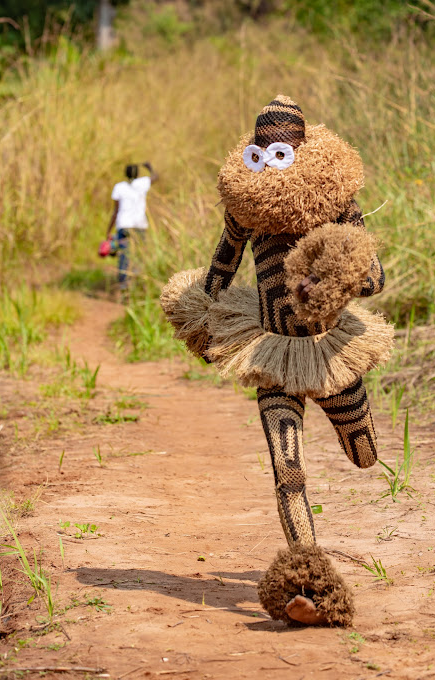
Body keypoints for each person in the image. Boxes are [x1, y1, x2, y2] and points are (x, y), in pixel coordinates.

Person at [161, 95, 394, 627]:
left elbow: (375, 278)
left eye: (282, 151)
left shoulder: (336, 204)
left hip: (328, 352)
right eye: (261, 152)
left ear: (302, 150)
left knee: (363, 454)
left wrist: (335, 279)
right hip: (269, 349)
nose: (270, 161)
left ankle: (357, 433)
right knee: (287, 469)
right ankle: (308, 581)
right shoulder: (244, 210)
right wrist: (198, 319)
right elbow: (220, 271)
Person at [107, 162, 158, 291]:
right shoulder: (143, 183)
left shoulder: (119, 187)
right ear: (138, 174)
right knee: (139, 255)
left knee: (124, 255)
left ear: (125, 174)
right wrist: (150, 168)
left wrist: (108, 230)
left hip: (124, 226)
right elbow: (156, 177)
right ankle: (138, 284)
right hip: (139, 225)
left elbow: (115, 211)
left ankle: (124, 285)